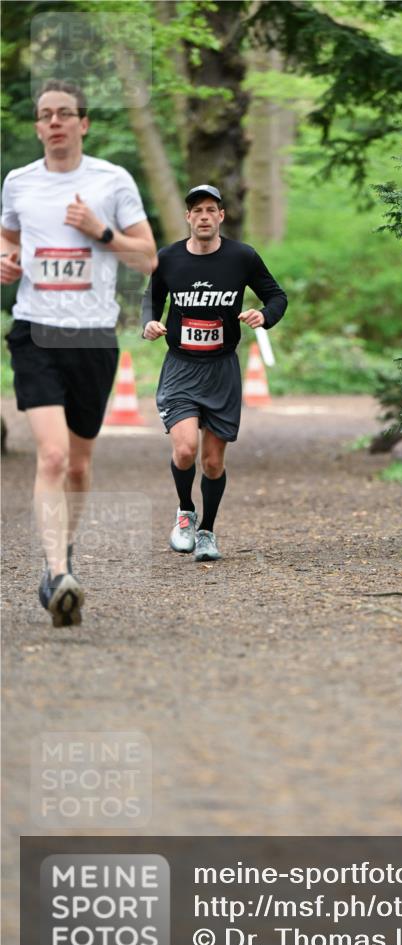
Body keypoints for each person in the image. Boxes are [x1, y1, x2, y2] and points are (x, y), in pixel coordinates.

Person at [1, 79, 156, 627]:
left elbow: (148, 259)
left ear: (83, 123)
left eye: (66, 113)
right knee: (52, 457)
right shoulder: (19, 182)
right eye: (46, 115)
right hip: (35, 331)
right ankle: (55, 571)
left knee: (81, 465)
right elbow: (9, 241)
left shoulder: (112, 181)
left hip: (92, 336)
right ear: (39, 125)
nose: (55, 123)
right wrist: (5, 260)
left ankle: (62, 560)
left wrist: (101, 231)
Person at [141, 184, 287, 561]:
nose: (204, 217)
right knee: (186, 449)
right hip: (181, 368)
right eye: (197, 211)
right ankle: (185, 511)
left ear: (221, 216)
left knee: (213, 462)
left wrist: (264, 315)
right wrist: (150, 324)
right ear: (188, 218)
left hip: (222, 369)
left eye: (211, 210)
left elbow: (277, 296)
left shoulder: (242, 257)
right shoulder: (168, 258)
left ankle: (207, 531)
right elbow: (151, 299)